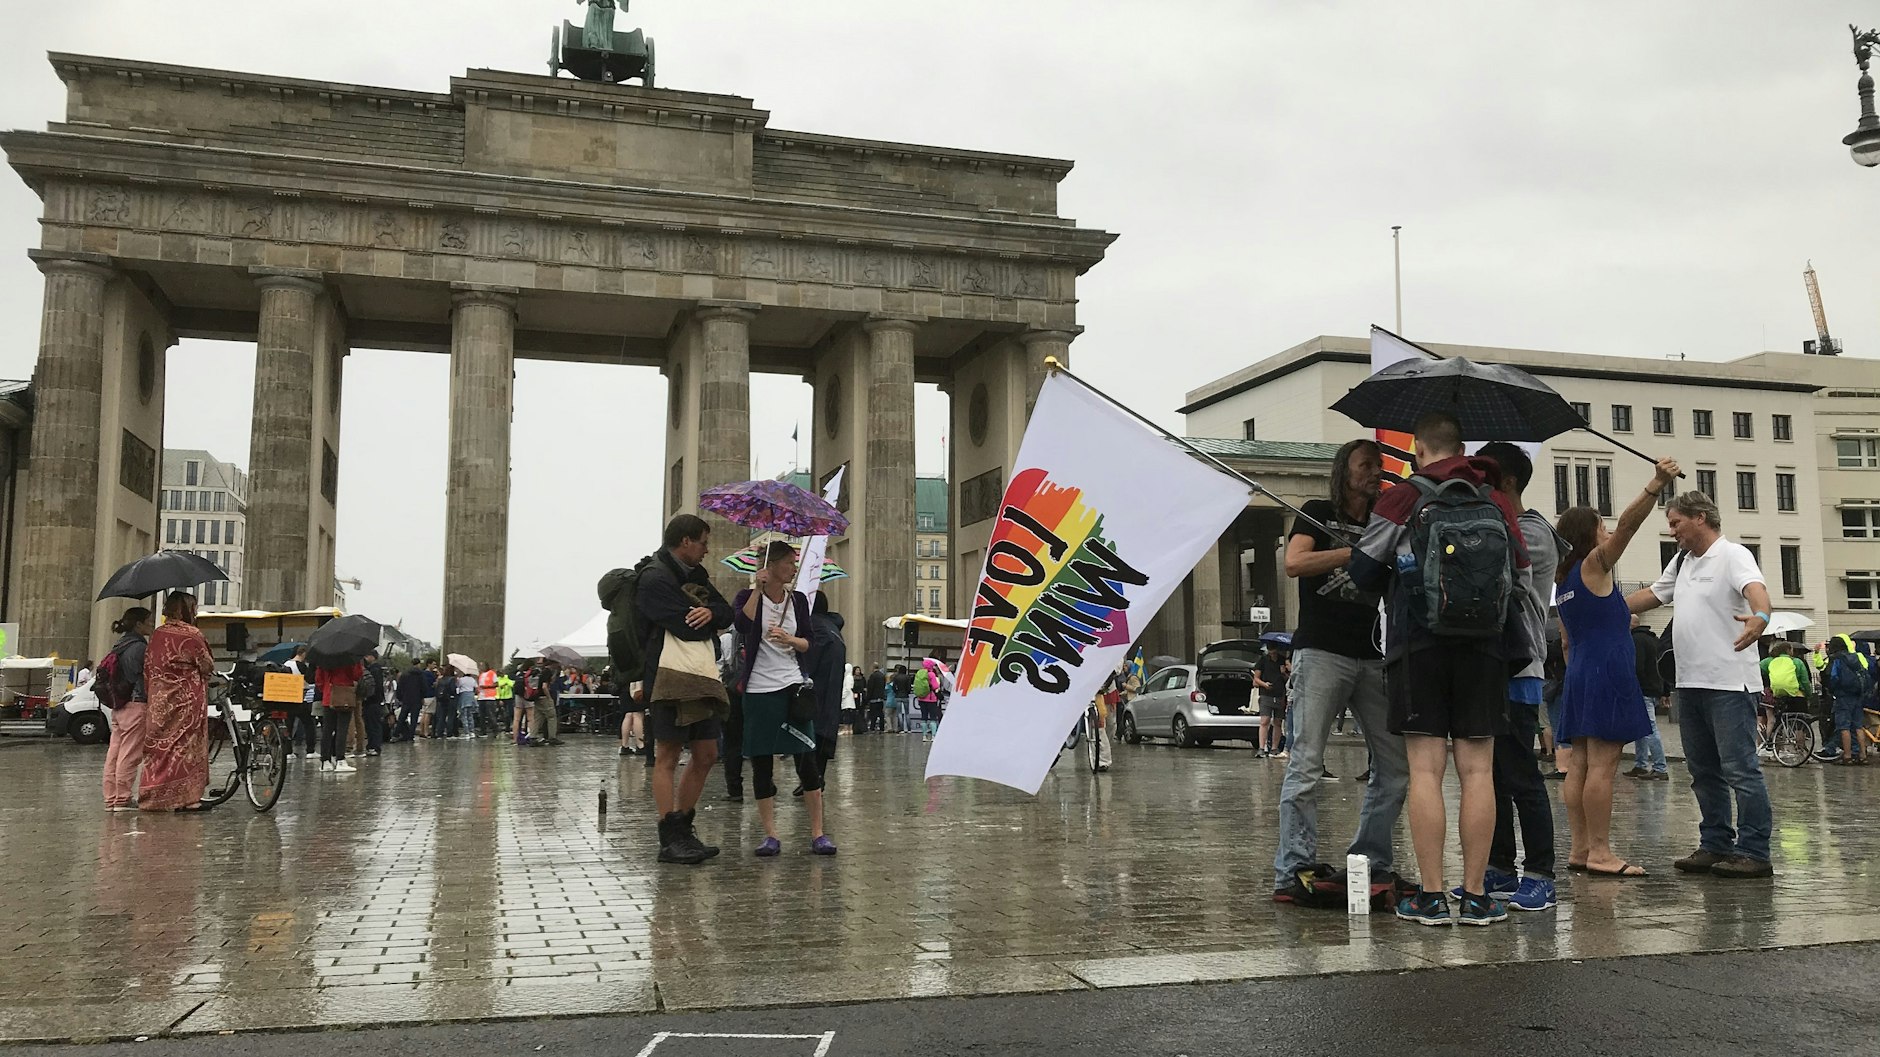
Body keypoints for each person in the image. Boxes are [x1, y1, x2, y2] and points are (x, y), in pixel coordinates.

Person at [1349, 412, 1534, 927]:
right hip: (1485, 649)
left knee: (1426, 770)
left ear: (1418, 450)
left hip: (1418, 646)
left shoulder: (1405, 497)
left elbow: (1363, 569)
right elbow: (1520, 576)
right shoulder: (1496, 499)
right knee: (1478, 771)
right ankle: (1476, 897)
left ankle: (1431, 896)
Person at [1273, 437, 1411, 909]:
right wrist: (1355, 553)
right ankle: (1293, 867)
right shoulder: (1316, 510)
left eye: (1379, 464)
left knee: (1395, 767)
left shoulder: (1384, 521)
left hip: (1372, 656)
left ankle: (1368, 858)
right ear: (1344, 471)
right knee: (1307, 764)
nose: (1375, 471)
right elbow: (1294, 563)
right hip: (1321, 653)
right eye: (1365, 465)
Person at [1626, 491, 1776, 880]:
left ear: (1700, 518)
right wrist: (1602, 604)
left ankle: (1754, 851)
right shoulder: (1682, 561)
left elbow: (1756, 591)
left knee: (1740, 770)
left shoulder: (1733, 555)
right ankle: (1715, 844)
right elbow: (1653, 596)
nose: (1671, 530)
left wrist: (1760, 617)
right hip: (1689, 683)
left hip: (1728, 683)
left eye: (1676, 522)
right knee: (1703, 771)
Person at [1554, 457, 1680, 879]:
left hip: (1581, 672)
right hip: (1607, 670)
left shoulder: (1565, 578)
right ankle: (1602, 853)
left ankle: (1579, 847)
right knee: (1604, 766)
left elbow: (1570, 639)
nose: (1607, 532)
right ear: (1589, 535)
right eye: (1600, 528)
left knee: (1581, 763)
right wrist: (1656, 484)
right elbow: (1628, 526)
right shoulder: (1593, 563)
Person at [1474, 442, 1562, 911]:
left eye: (1484, 482)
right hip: (1488, 669)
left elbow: (1501, 574)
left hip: (1520, 668)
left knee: (1521, 775)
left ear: (1506, 482)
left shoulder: (1533, 531)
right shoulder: (1506, 526)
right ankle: (1500, 867)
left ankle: (1542, 872)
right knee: (1490, 778)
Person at [637, 513, 736, 864]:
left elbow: (726, 613)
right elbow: (687, 628)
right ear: (685, 542)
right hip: (667, 677)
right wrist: (706, 617)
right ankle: (668, 837)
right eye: (704, 542)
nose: (707, 550)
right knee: (667, 755)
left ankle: (683, 827)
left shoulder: (697, 576)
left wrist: (708, 613)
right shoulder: (653, 578)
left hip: (700, 676)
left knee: (707, 753)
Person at [734, 541, 837, 856]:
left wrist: (790, 639)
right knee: (762, 762)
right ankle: (770, 835)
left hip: (793, 686)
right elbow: (741, 624)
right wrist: (757, 589)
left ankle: (818, 833)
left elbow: (810, 644)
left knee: (806, 759)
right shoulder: (747, 597)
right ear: (772, 565)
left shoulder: (799, 602)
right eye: (789, 563)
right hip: (759, 690)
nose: (794, 569)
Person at [139, 592, 218, 811]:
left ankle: (151, 796)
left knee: (158, 748)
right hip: (186, 702)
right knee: (185, 747)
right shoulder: (192, 635)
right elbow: (206, 664)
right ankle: (188, 799)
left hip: (159, 701)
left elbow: (148, 666)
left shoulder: (157, 634)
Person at [100, 607, 153, 810]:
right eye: (148, 621)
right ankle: (122, 798)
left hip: (119, 705)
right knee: (130, 754)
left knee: (114, 752)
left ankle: (110, 797)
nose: (151, 625)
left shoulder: (120, 644)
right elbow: (143, 675)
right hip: (136, 702)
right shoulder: (139, 647)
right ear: (138, 624)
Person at [802, 592, 849, 790]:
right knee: (822, 739)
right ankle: (815, 778)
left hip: (815, 693)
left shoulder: (815, 627)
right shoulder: (833, 629)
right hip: (830, 695)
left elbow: (808, 662)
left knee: (807, 737)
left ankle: (811, 780)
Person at [1626, 617, 1671, 780]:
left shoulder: (1635, 640)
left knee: (1650, 729)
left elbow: (1636, 667)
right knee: (1642, 729)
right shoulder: (1655, 640)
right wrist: (1665, 692)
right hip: (1655, 690)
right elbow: (1663, 665)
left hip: (1642, 690)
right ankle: (1640, 764)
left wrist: (1630, 688)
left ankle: (1660, 768)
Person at [1825, 634, 1873, 765]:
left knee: (1844, 726)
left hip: (1843, 696)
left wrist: (1833, 689)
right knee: (1858, 726)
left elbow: (1834, 677)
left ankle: (1847, 756)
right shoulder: (1856, 657)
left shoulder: (1837, 659)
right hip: (1858, 695)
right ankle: (1862, 755)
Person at [314, 656, 364, 774]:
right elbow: (357, 675)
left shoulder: (324, 657)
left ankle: (325, 761)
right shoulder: (350, 657)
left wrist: (326, 689)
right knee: (342, 729)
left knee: (327, 730)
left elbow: (318, 679)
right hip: (344, 695)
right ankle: (340, 759)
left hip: (328, 696)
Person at [1253, 641, 1289, 759]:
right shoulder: (1262, 660)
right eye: (1270, 650)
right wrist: (1264, 685)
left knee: (1278, 722)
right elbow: (1256, 678)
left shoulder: (1283, 661)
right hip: (1266, 694)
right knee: (1265, 720)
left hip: (1279, 694)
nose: (1272, 653)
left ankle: (1274, 748)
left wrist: (1284, 673)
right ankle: (1262, 748)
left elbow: (1289, 678)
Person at [284, 645, 316, 760]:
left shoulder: (286, 664)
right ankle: (310, 750)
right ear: (303, 653)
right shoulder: (301, 666)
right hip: (300, 698)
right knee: (309, 724)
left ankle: (288, 752)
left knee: (288, 725)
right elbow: (310, 679)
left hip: (287, 698)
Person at [359, 649, 387, 758]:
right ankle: (372, 746)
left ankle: (374, 746)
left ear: (372, 657)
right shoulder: (374, 669)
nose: (365, 659)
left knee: (373, 725)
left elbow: (376, 687)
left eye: (367, 656)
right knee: (371, 725)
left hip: (372, 701)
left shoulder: (374, 669)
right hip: (373, 701)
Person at [530, 660, 564, 746]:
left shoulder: (541, 671)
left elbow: (547, 682)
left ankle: (533, 737)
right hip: (544, 697)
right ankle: (552, 737)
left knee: (538, 718)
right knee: (552, 717)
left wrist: (555, 675)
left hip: (537, 697)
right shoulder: (547, 672)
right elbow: (544, 686)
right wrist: (549, 698)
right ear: (553, 663)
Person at [395, 660, 428, 743]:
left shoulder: (405, 674)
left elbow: (399, 687)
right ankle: (410, 736)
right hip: (417, 699)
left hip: (406, 699)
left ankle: (396, 734)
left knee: (402, 717)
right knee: (414, 718)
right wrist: (422, 696)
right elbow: (424, 687)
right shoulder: (421, 674)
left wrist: (400, 697)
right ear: (418, 664)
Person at [867, 664, 888, 734]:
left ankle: (872, 727)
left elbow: (870, 687)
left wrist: (868, 697)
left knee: (873, 714)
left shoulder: (872, 676)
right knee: (880, 713)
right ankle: (881, 727)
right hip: (881, 697)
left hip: (874, 697)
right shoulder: (882, 676)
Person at [496, 667, 516, 734]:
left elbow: (512, 684)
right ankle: (506, 727)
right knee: (503, 714)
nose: (501, 674)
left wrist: (506, 683)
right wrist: (500, 699)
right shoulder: (497, 679)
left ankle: (511, 727)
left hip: (509, 698)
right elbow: (497, 689)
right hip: (501, 699)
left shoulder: (507, 677)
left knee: (510, 713)